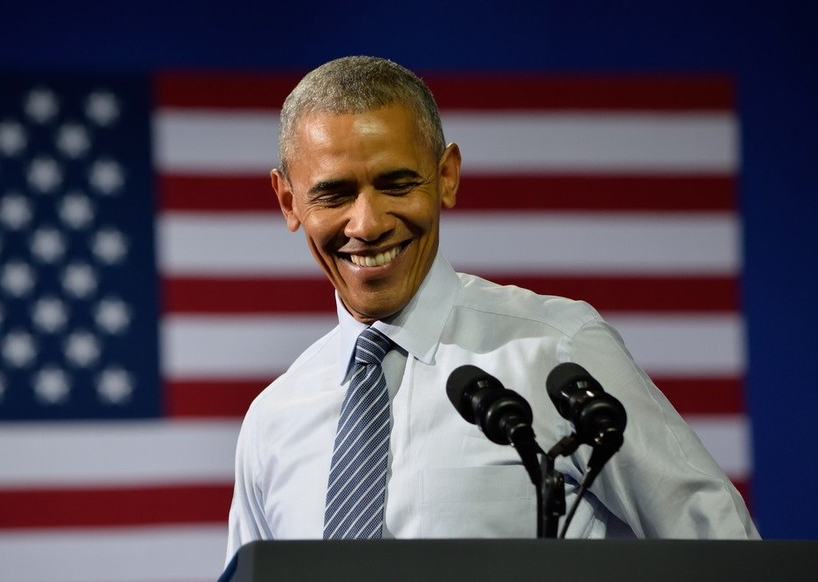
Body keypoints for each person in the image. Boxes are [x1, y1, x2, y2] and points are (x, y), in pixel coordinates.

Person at [225, 55, 759, 559]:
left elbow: (723, 550)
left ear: (447, 176)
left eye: (397, 183)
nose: (367, 224)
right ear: (289, 201)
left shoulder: (554, 352)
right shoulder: (272, 422)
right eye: (334, 195)